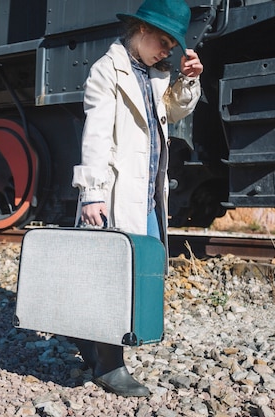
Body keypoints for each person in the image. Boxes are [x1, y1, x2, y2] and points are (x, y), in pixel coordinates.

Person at [71, 0, 203, 397]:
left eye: (172, 47)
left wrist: (189, 79)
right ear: (141, 30)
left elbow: (173, 112)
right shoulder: (106, 71)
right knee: (116, 278)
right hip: (114, 193)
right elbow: (94, 137)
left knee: (138, 273)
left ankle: (87, 339)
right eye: (164, 42)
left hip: (145, 194)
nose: (168, 51)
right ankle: (109, 366)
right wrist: (93, 193)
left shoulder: (154, 74)